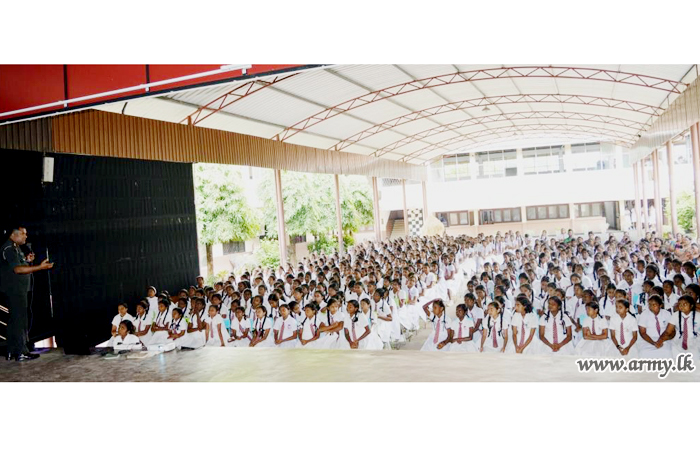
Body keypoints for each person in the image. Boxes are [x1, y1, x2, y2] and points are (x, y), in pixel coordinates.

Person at [1, 226, 54, 361]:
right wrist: (40, 267)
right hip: (14, 290)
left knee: (15, 320)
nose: (26, 237)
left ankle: (11, 351)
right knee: (20, 321)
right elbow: (18, 270)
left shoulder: (15, 248)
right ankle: (20, 352)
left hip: (18, 289)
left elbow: (18, 265)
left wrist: (27, 261)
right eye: (23, 234)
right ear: (14, 234)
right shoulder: (9, 249)